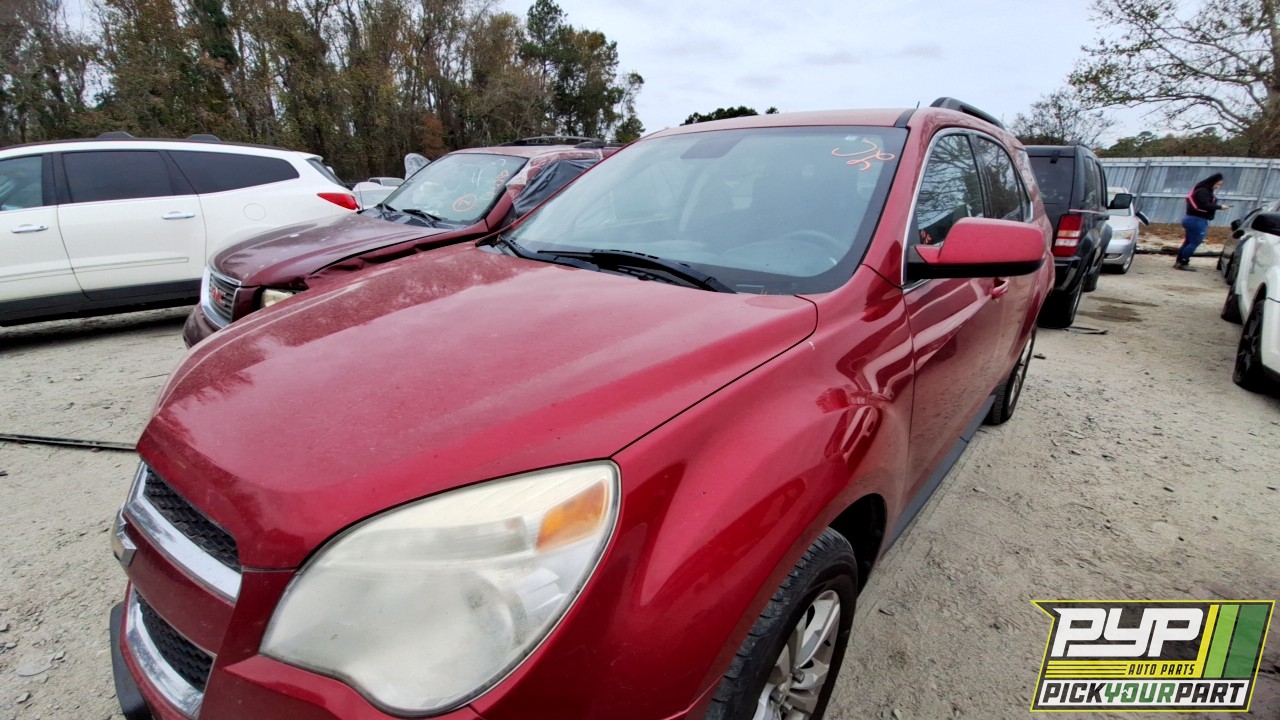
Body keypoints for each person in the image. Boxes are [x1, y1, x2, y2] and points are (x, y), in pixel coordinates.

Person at [1176, 173, 1230, 271]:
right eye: (1217, 184)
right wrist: (1219, 207)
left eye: (1220, 185)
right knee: (1195, 242)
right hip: (1197, 220)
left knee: (1188, 241)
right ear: (1212, 182)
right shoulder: (1203, 191)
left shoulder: (1201, 190)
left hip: (1191, 219)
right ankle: (1183, 262)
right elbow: (1204, 205)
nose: (1218, 187)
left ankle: (1179, 261)